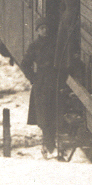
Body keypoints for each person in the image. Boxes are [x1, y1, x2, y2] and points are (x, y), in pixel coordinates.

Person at [21, 19, 59, 159]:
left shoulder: (54, 43)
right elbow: (25, 64)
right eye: (41, 28)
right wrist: (34, 78)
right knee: (43, 116)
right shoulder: (34, 46)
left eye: (46, 27)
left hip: (53, 81)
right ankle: (48, 145)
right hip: (42, 84)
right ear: (37, 30)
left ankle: (50, 144)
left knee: (52, 113)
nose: (44, 30)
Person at [54, 0, 80, 78]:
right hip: (65, 20)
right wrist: (62, 18)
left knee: (71, 48)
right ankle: (63, 72)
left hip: (74, 20)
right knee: (62, 48)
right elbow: (62, 5)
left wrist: (75, 21)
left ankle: (72, 72)